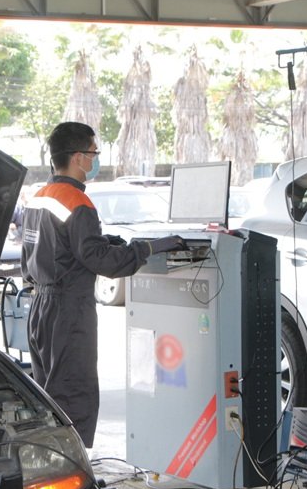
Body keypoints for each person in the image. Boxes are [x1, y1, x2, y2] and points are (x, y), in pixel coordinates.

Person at [20, 122, 184, 447]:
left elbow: (59, 248)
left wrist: (103, 240)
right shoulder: (77, 202)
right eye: (94, 153)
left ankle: (55, 474)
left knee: (50, 393)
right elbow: (102, 262)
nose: (96, 160)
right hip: (69, 310)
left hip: (40, 308)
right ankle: (77, 483)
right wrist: (147, 248)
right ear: (79, 157)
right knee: (73, 392)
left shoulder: (39, 197)